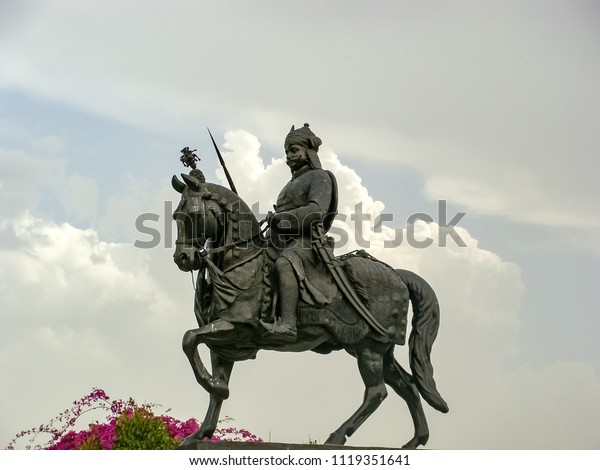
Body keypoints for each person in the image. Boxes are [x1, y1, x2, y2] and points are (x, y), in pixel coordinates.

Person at [262, 123, 338, 342]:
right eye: (287, 152)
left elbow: (316, 211)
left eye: (294, 150)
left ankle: (288, 324)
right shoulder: (289, 184)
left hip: (307, 243)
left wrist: (281, 218)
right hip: (281, 241)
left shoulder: (320, 177)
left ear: (309, 152)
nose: (288, 156)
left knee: (284, 263)